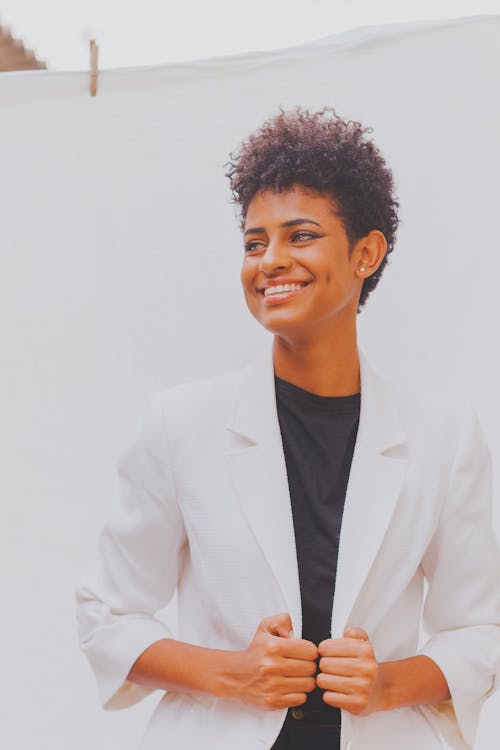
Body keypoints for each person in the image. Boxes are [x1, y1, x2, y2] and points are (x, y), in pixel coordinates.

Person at [76, 108, 500, 750]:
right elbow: (106, 616)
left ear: (366, 252)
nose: (269, 261)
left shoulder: (445, 435)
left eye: (299, 236)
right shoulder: (179, 425)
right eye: (254, 242)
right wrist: (233, 675)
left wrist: (387, 684)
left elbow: (479, 630)